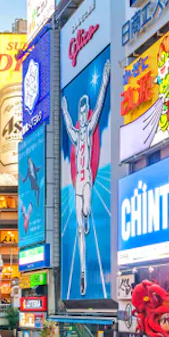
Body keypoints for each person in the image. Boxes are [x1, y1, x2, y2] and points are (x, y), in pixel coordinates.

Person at [62, 59, 112, 295]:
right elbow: (67, 122)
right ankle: (82, 269)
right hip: (77, 184)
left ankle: (87, 216)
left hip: (87, 178)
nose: (82, 114)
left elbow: (101, 104)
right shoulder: (75, 132)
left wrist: (104, 80)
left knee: (85, 211)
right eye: (80, 111)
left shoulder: (90, 127)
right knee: (80, 227)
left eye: (84, 110)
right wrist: (63, 107)